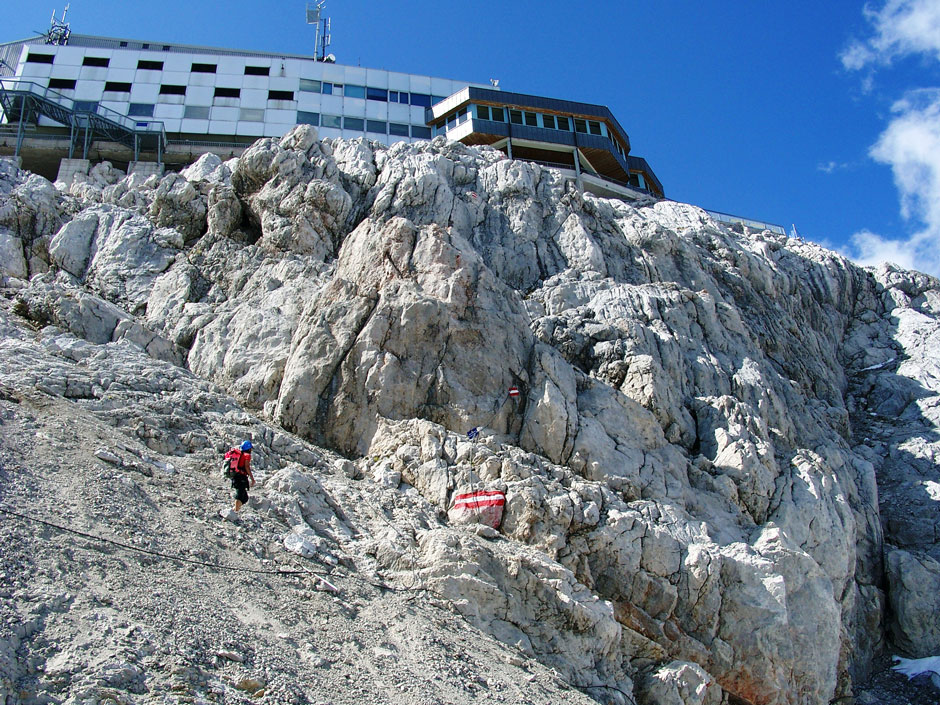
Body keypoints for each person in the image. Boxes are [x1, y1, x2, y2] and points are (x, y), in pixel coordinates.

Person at [230, 440, 256, 513]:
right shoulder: (247, 455)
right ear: (249, 448)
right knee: (240, 494)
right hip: (241, 477)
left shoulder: (240, 454)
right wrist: (252, 478)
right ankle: (235, 511)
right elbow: (247, 466)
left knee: (244, 497)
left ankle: (235, 509)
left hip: (236, 476)